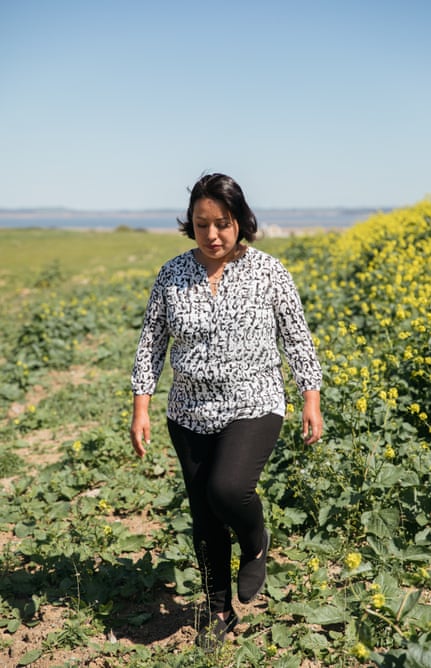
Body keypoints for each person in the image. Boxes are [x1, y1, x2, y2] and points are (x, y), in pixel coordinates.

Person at [130, 173, 322, 649]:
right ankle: (218, 610)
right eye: (201, 224)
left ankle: (255, 542)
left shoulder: (269, 271)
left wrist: (309, 398)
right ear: (189, 225)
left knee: (229, 488)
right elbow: (151, 341)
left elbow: (296, 337)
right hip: (189, 411)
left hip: (254, 402)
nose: (212, 234)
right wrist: (141, 406)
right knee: (204, 515)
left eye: (223, 223)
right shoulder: (172, 274)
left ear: (241, 221)